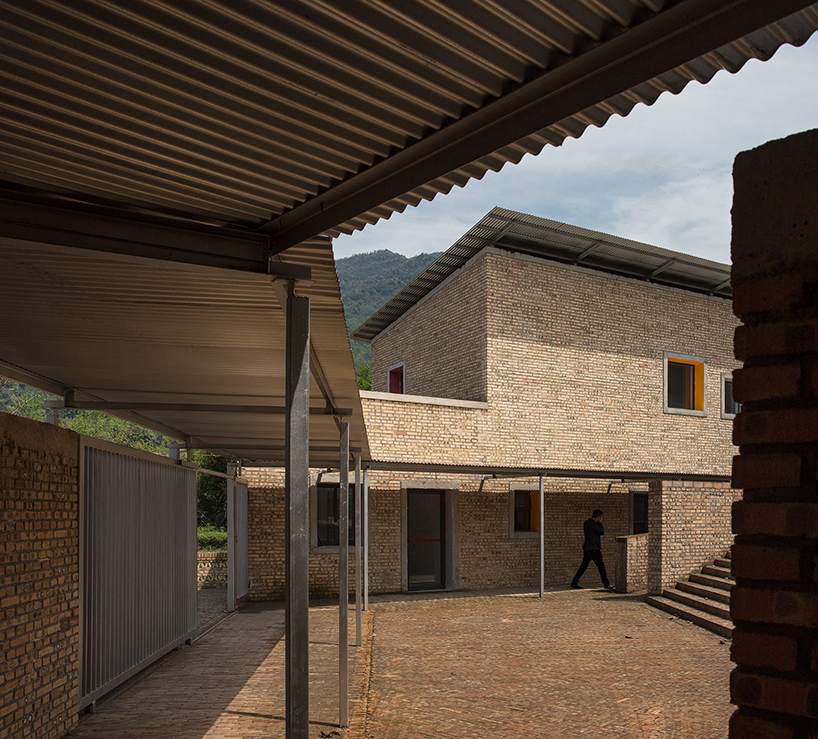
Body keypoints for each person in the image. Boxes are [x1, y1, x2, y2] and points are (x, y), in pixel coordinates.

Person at [570, 509, 613, 590]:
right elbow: (602, 532)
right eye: (601, 518)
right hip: (594, 549)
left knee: (584, 566)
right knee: (601, 566)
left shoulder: (586, 523)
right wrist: (600, 523)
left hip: (587, 548)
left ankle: (574, 581)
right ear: (597, 517)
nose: (601, 519)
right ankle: (606, 584)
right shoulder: (594, 525)